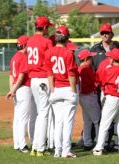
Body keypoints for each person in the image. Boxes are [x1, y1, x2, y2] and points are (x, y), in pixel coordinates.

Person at [45, 26, 78, 158]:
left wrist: (52, 90)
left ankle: (57, 151)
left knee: (58, 122)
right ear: (67, 38)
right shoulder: (68, 53)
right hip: (67, 88)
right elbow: (71, 74)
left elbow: (49, 74)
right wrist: (74, 91)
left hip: (56, 89)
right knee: (68, 121)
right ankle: (66, 150)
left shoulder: (48, 52)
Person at [93, 48, 119, 156]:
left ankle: (99, 148)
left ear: (112, 59)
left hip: (112, 98)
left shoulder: (109, 69)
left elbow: (100, 81)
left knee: (104, 124)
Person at [27, 16, 54, 156]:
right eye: (47, 27)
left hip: (33, 80)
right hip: (43, 78)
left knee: (40, 113)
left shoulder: (30, 40)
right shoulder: (46, 41)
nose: (48, 29)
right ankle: (40, 148)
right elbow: (51, 60)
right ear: (43, 27)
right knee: (44, 113)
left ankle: (35, 147)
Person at [6, 35, 33, 153]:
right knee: (23, 119)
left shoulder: (14, 57)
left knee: (17, 118)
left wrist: (12, 89)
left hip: (17, 89)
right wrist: (14, 89)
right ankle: (22, 145)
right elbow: (21, 76)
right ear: (24, 46)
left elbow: (11, 75)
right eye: (28, 45)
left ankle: (17, 144)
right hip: (23, 89)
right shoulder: (23, 57)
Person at [77, 49, 101, 150]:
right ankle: (100, 143)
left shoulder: (79, 68)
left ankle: (87, 142)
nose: (92, 60)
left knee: (87, 120)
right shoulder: (86, 69)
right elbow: (96, 82)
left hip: (82, 97)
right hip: (89, 96)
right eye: (90, 58)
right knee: (97, 120)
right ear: (86, 59)